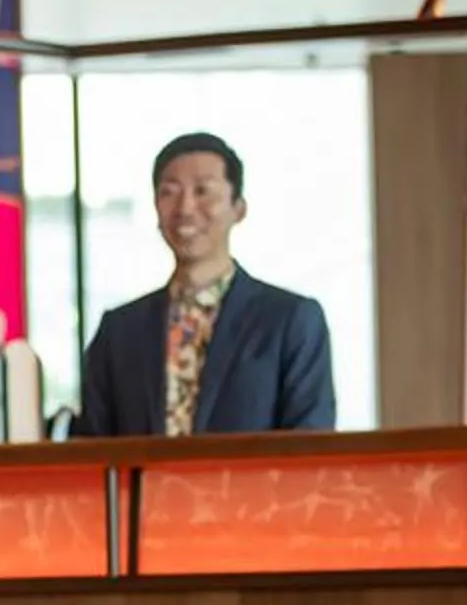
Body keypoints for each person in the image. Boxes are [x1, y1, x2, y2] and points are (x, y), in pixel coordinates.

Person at [71, 131, 336, 438]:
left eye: (203, 191)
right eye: (169, 192)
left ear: (239, 209)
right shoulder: (119, 331)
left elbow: (310, 443)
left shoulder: (291, 321)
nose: (185, 208)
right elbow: (91, 447)